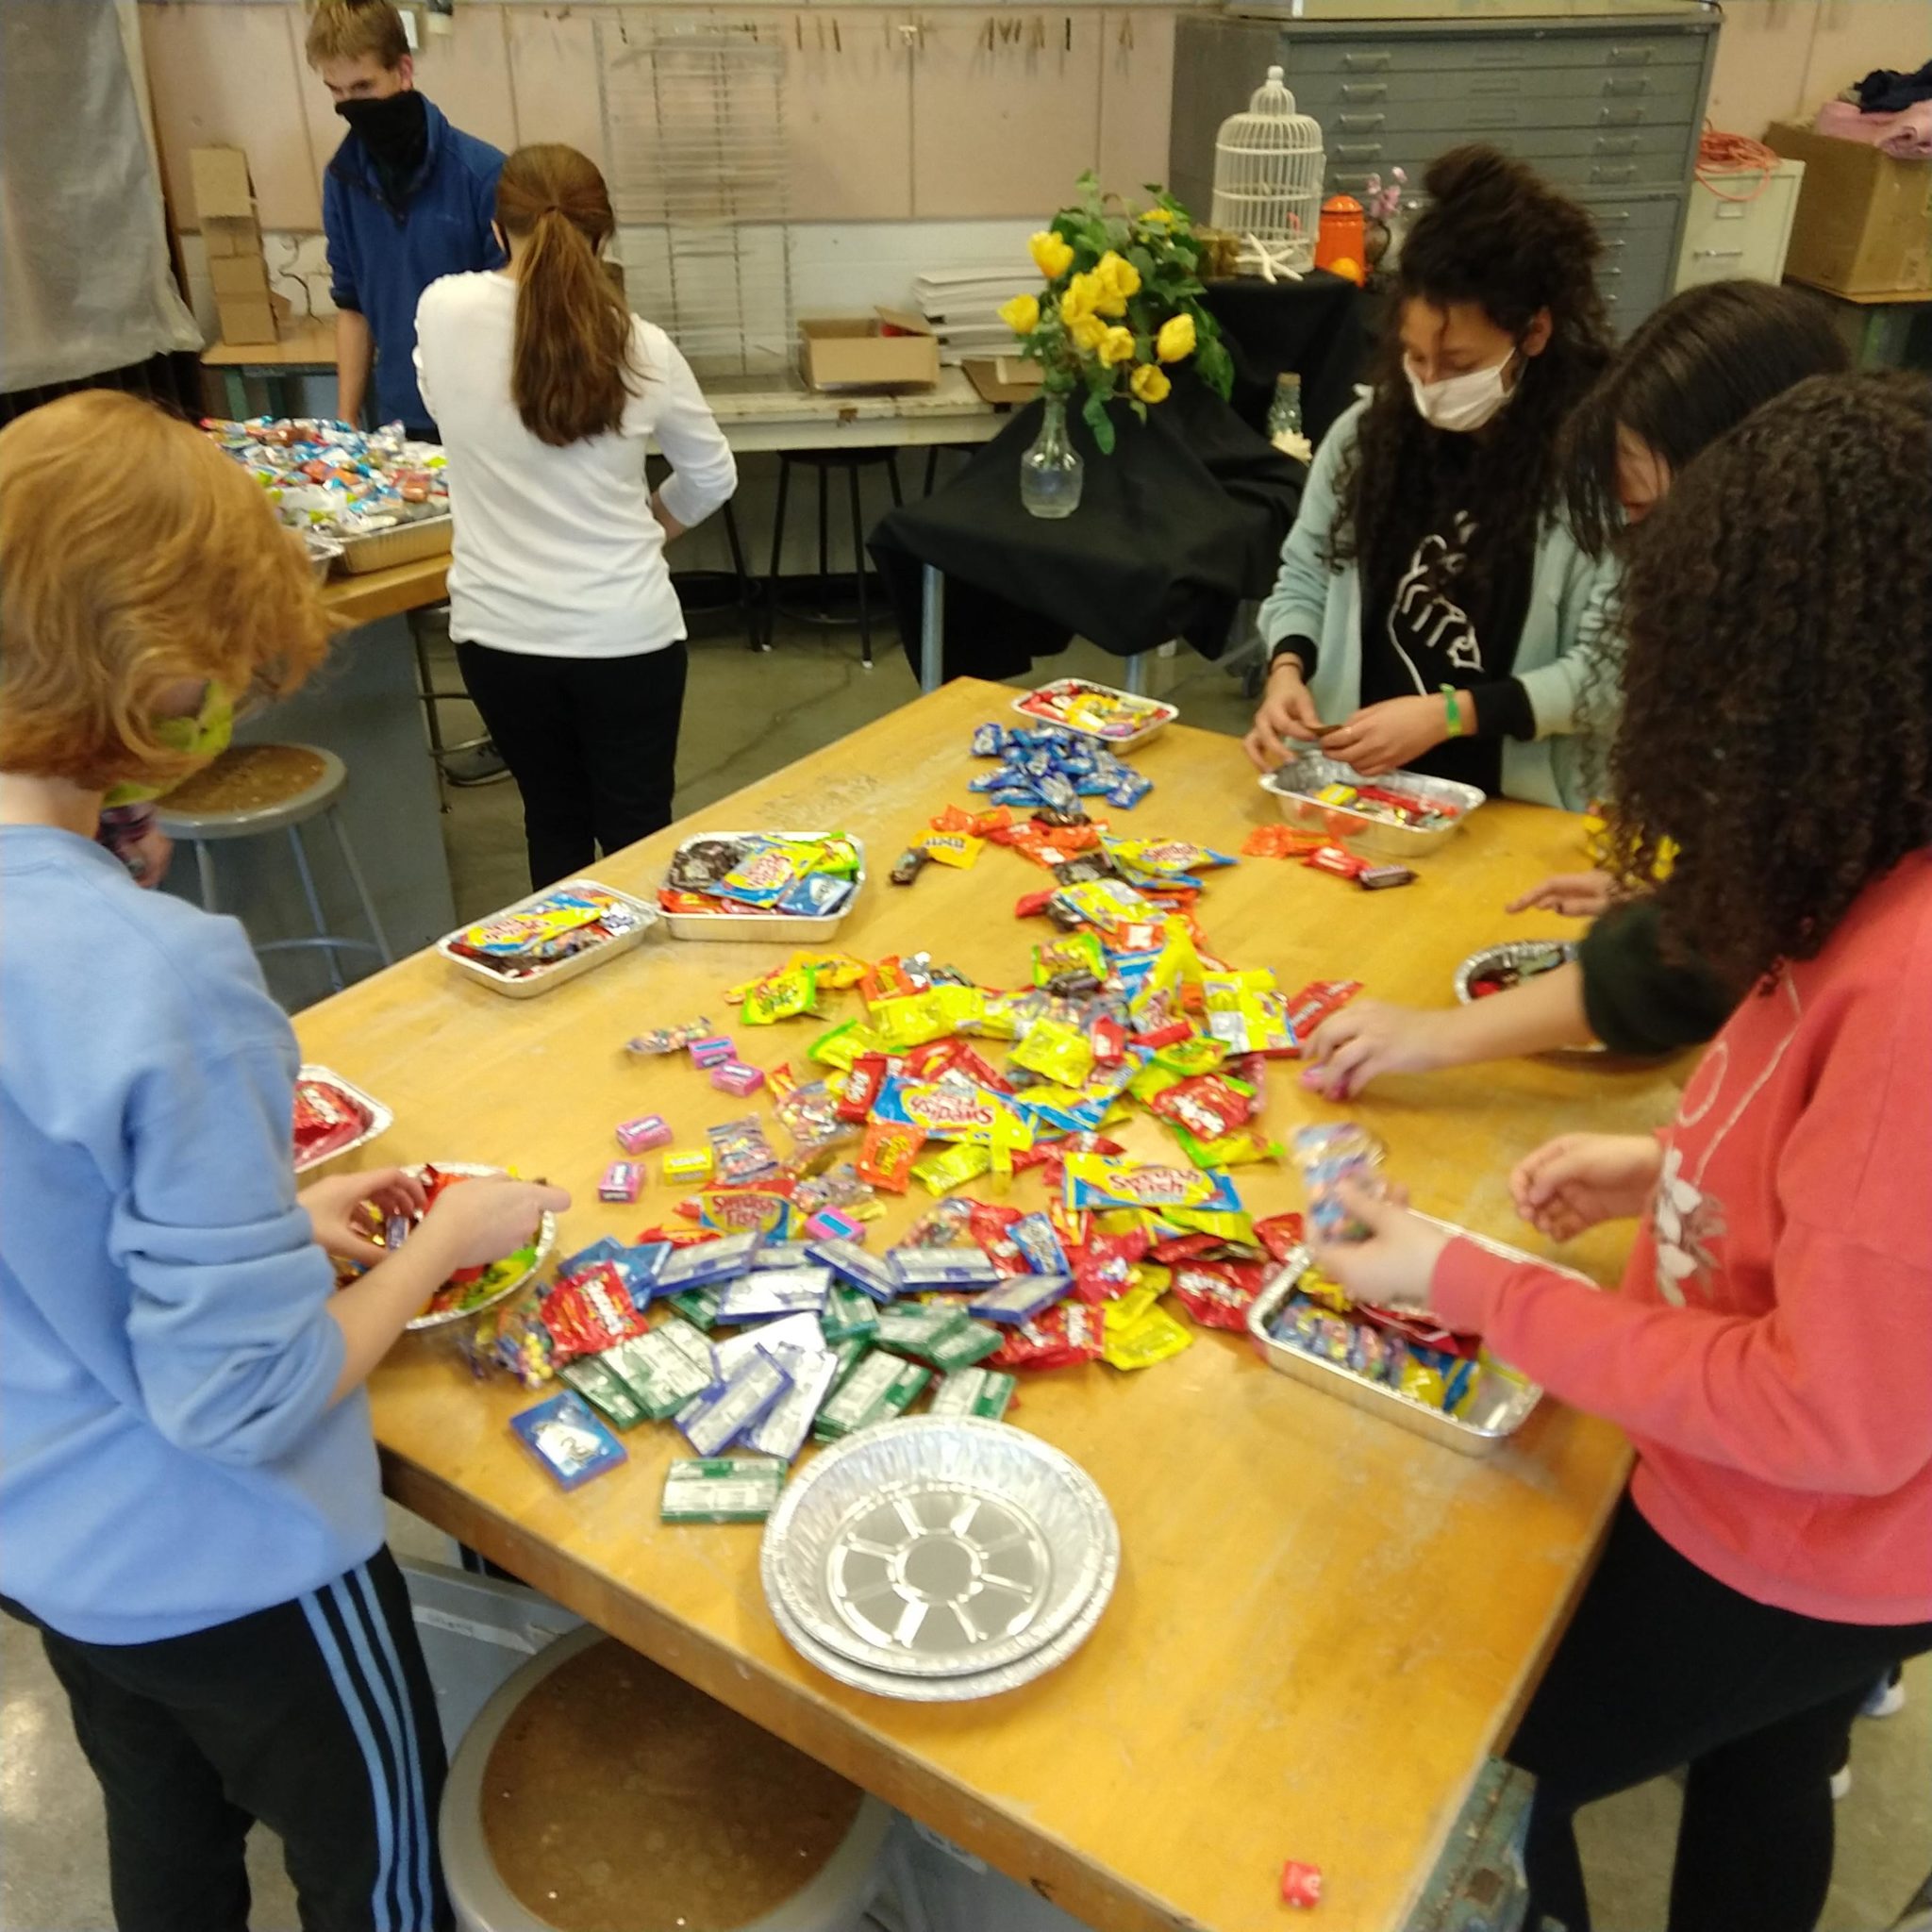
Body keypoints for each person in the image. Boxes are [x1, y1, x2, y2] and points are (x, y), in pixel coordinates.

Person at [1311, 371, 1932, 1932]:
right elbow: (1864, 1215)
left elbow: (1830, 1413)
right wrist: (1671, 1174)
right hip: (1830, 1542)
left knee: (1481, 1767)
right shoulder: (1864, 852)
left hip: (1795, 1539)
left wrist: (1477, 1282)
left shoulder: (1912, 974)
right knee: (1764, 1766)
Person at [0, 391, 569, 1932]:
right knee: (387, 1871)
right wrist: (443, 1237)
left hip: (54, 1547)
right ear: (159, 675)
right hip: (242, 1573)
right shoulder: (163, 973)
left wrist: (276, 1213)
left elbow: (45, 1210)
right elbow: (239, 1402)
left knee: (167, 1839)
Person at [1299, 280, 1851, 1098]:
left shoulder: (1831, 677)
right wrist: (1689, 885)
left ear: (1746, 475)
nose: (1637, 543)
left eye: (1648, 509)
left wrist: (1436, 1036)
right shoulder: (1806, 601)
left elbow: (1693, 961)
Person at [1246, 144, 1617, 809]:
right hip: (1360, 794)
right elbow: (1304, 574)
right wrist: (1286, 670)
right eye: (1416, 356)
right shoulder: (1367, 438)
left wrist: (1450, 716)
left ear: (1535, 334)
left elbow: (1607, 676)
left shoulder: (1595, 475)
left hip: (1512, 808)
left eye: (1460, 362)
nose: (1432, 383)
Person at [413, 143, 738, 891]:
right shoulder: (640, 346)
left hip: (499, 635)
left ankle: (559, 985)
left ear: (497, 231)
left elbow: (442, 403)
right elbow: (711, 475)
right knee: (636, 834)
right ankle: (644, 1004)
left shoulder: (442, 309)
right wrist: (648, 528)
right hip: (625, 634)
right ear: (602, 237)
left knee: (551, 820)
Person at [307, 0, 506, 439]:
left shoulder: (483, 175)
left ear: (403, 70)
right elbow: (351, 305)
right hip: (397, 419)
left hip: (484, 418)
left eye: (363, 87)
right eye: (336, 92)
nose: (349, 105)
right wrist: (346, 421)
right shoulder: (342, 180)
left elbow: (514, 309)